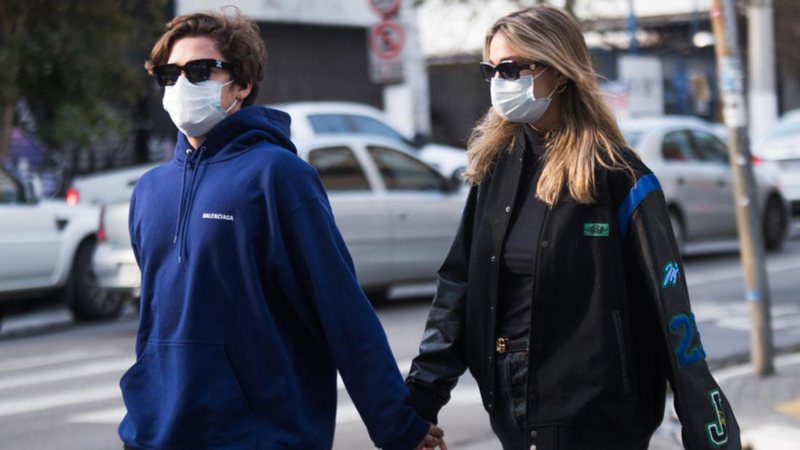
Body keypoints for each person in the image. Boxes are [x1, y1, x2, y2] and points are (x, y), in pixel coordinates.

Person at [405, 5, 741, 450]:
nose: (500, 83)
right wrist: (415, 406)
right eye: (491, 70)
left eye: (512, 68)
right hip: (514, 414)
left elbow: (673, 315)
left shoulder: (620, 178)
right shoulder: (495, 171)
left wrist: (711, 434)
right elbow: (458, 289)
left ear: (558, 70)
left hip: (599, 422)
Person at [118, 8, 445, 450]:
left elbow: (340, 306)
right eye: (169, 74)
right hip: (156, 434)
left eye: (199, 70)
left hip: (260, 434)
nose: (181, 85)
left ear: (243, 83)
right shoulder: (150, 190)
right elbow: (155, 318)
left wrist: (396, 424)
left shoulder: (279, 175)